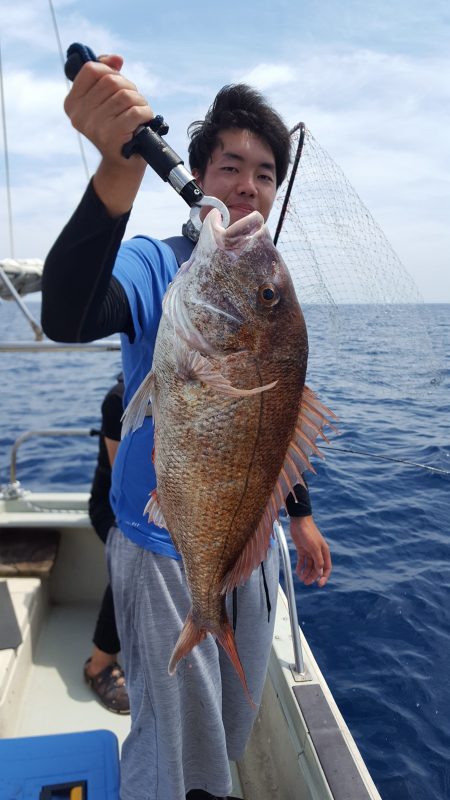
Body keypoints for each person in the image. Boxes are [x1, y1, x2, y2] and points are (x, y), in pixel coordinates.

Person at [41, 55, 332, 800]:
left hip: (250, 548)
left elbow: (271, 430)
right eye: (231, 165)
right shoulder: (161, 263)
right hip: (167, 552)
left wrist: (298, 520)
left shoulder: (264, 287)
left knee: (228, 729)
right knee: (177, 756)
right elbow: (69, 314)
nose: (248, 185)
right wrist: (117, 169)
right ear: (200, 174)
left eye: (265, 173)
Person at [85, 371, 130, 715]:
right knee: (131, 557)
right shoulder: (118, 398)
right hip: (111, 505)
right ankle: (99, 664)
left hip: (158, 505)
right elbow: (122, 478)